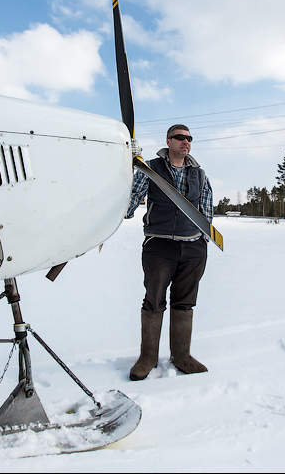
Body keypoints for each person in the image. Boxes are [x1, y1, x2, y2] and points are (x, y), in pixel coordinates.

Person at [126, 124, 213, 381]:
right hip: (159, 246)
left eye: (189, 139)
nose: (186, 142)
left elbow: (206, 208)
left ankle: (182, 356)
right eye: (180, 138)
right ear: (168, 141)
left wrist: (203, 240)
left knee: (185, 301)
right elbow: (131, 201)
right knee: (154, 299)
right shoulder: (150, 168)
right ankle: (148, 357)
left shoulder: (199, 173)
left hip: (193, 247)